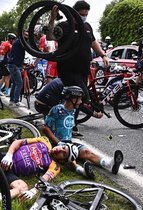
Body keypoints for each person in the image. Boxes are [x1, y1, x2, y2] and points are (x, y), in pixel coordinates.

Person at [0, 136, 84, 201]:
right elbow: (18, 142)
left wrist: (34, 191)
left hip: (11, 173)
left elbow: (45, 179)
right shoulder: (44, 141)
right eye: (63, 147)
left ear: (63, 160)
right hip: (4, 160)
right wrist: (9, 154)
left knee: (23, 187)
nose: (59, 149)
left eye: (63, 153)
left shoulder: (55, 166)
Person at [47, 1, 109, 133]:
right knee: (81, 96)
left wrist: (103, 55)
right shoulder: (64, 26)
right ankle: (61, 123)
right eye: (81, 14)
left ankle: (69, 125)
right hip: (68, 69)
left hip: (83, 70)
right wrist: (52, 18)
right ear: (74, 13)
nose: (84, 16)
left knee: (74, 98)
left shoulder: (86, 27)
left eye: (86, 14)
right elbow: (50, 36)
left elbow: (93, 42)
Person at [42, 86, 123, 176]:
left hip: (69, 142)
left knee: (86, 152)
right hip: (57, 144)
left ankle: (109, 164)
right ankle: (83, 171)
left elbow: (85, 108)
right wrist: (58, 142)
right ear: (72, 99)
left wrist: (96, 112)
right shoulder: (57, 109)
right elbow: (45, 128)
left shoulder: (73, 110)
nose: (80, 102)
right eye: (79, 99)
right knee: (71, 159)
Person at [7, 31, 28, 107]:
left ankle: (11, 101)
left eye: (28, 35)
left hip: (14, 65)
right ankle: (16, 101)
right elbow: (29, 49)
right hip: (14, 65)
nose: (27, 37)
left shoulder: (18, 42)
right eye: (25, 35)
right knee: (19, 83)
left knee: (15, 83)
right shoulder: (20, 42)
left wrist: (22, 64)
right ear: (22, 35)